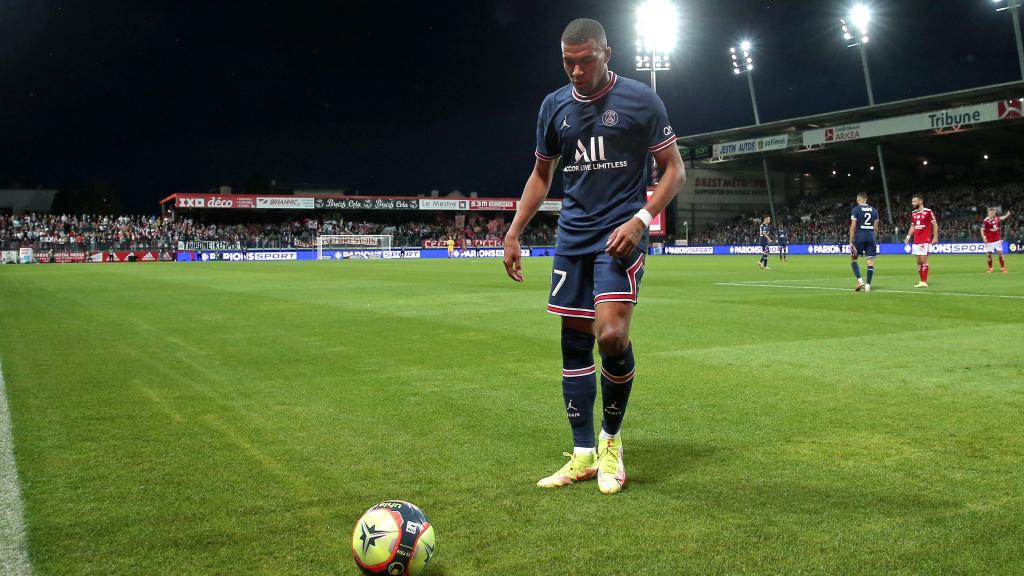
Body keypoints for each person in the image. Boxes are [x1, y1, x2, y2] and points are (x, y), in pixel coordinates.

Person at [502, 18, 685, 494]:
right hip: (572, 238)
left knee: (610, 335)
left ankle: (611, 443)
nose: (577, 71)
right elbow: (541, 176)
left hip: (619, 235)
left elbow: (674, 172)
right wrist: (515, 231)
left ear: (608, 53)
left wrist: (641, 220)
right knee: (573, 342)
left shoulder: (642, 100)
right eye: (569, 62)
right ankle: (582, 454)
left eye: (586, 60)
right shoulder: (554, 106)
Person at [903, 194, 938, 288]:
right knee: (918, 262)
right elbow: (913, 226)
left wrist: (935, 237)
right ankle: (921, 281)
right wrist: (908, 237)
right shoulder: (914, 213)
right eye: (912, 201)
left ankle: (924, 281)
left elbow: (935, 224)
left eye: (914, 201)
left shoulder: (928, 212)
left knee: (923, 260)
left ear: (920, 201)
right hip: (916, 241)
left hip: (925, 240)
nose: (913, 203)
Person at [849, 192, 879, 292]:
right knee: (870, 262)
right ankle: (868, 286)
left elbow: (853, 226)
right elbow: (876, 228)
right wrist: (873, 238)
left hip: (859, 237)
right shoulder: (874, 210)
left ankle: (860, 281)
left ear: (858, 199)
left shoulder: (856, 209)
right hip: (870, 237)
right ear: (866, 199)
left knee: (853, 259)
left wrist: (850, 241)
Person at [981, 207, 1011, 273]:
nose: (993, 214)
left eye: (994, 213)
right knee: (989, 254)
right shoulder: (986, 220)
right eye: (992, 213)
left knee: (1000, 253)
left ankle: (1003, 268)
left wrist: (1007, 215)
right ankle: (990, 268)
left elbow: (1001, 218)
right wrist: (984, 238)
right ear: (989, 213)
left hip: (997, 239)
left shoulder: (996, 218)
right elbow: (982, 229)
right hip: (989, 240)